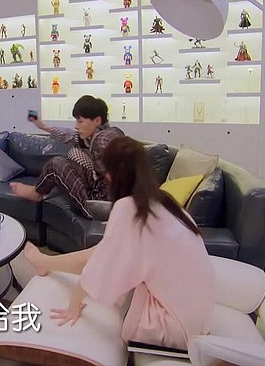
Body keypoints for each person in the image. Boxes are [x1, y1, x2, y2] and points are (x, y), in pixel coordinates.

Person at [23, 136, 215, 350]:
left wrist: (74, 304)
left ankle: (43, 262)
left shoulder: (128, 208)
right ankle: (45, 262)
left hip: (170, 327)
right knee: (111, 249)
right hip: (198, 320)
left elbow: (101, 264)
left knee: (105, 253)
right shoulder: (166, 203)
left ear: (111, 174)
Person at [10, 95, 124, 217]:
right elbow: (70, 135)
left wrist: (117, 215)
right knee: (74, 153)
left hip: (97, 207)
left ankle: (36, 193)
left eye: (80, 121)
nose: (76, 126)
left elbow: (116, 179)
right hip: (105, 198)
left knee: (56, 164)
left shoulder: (100, 142)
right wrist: (42, 126)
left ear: (97, 120)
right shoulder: (110, 133)